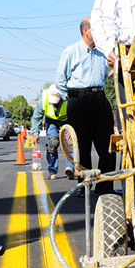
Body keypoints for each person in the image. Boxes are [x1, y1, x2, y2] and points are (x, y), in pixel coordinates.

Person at [55, 18, 115, 195]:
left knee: (108, 146)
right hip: (79, 99)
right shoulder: (71, 51)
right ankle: (85, 186)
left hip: (99, 98)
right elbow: (60, 81)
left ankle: (105, 187)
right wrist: (73, 97)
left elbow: (107, 74)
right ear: (86, 31)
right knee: (83, 146)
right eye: (97, 29)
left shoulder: (102, 53)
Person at [31, 84, 74, 180]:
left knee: (70, 142)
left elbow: (76, 113)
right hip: (51, 120)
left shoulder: (68, 97)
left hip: (67, 120)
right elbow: (36, 118)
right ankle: (52, 170)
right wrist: (35, 134)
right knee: (53, 143)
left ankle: (70, 168)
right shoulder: (43, 99)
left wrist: (72, 129)